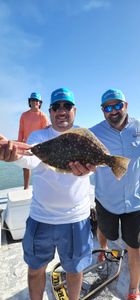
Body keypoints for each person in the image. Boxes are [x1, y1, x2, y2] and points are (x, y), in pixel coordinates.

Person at [0, 88, 95, 300]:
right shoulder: (40, 136)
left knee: (74, 270)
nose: (62, 110)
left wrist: (96, 164)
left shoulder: (83, 136)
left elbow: (96, 161)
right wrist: (13, 156)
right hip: (41, 218)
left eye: (67, 106)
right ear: (50, 112)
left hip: (76, 219)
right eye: (57, 107)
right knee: (35, 270)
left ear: (74, 110)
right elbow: (31, 156)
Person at [72, 88, 140, 300]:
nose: (113, 111)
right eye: (107, 108)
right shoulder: (92, 133)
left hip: (136, 202)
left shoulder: (138, 128)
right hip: (106, 200)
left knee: (135, 247)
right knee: (105, 230)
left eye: (117, 105)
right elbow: (69, 142)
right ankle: (102, 249)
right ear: (102, 111)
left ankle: (133, 290)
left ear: (126, 105)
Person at [18, 92, 49, 189]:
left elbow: (46, 134)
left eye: (37, 100)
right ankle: (26, 187)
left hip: (40, 146)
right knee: (26, 167)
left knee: (43, 167)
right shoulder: (24, 115)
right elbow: (21, 130)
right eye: (33, 100)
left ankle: (43, 187)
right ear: (29, 102)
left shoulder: (43, 116)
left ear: (40, 103)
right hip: (26, 145)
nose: (35, 102)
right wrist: (19, 143)